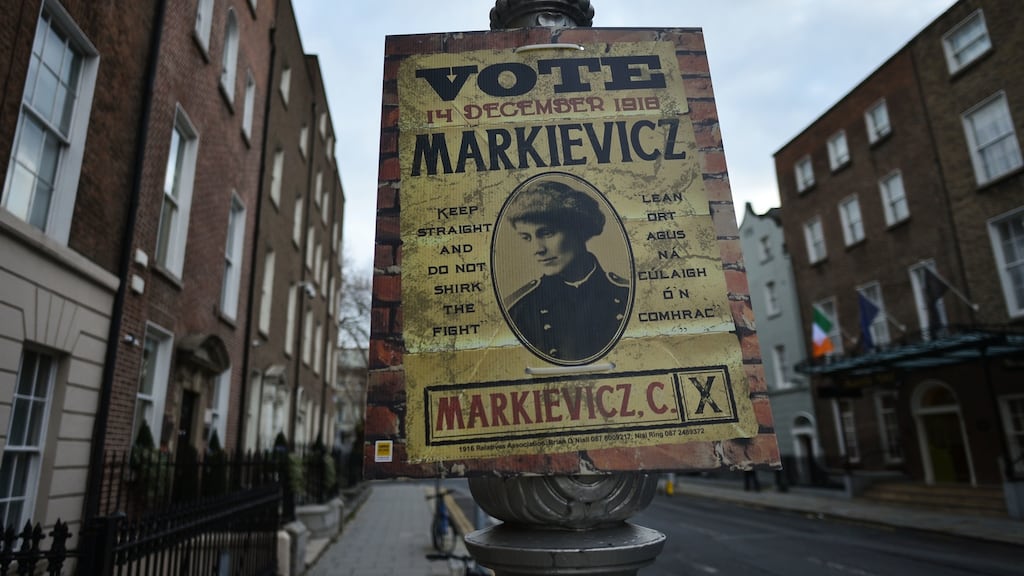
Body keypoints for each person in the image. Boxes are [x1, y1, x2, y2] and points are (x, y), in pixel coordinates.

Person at [503, 180, 629, 363]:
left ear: (579, 228)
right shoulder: (519, 310)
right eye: (526, 237)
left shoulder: (625, 295)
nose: (537, 249)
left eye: (547, 233)